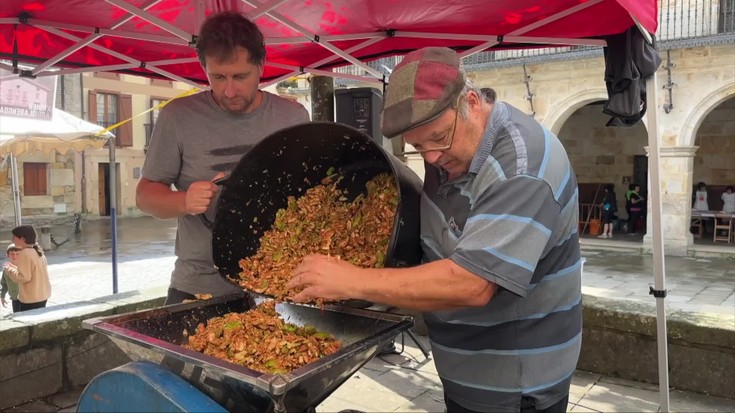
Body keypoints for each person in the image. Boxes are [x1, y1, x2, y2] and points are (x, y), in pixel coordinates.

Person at [289, 47, 582, 413]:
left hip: (513, 382)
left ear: (471, 102)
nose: (430, 157)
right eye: (417, 146)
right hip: (465, 369)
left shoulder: (522, 167)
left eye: (439, 138)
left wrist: (349, 280)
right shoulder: (453, 148)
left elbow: (473, 283)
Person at [136, 11, 310, 305]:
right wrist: (184, 201)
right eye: (218, 77)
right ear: (204, 68)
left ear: (261, 66)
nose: (229, 91)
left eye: (240, 77)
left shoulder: (293, 116)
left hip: (279, 284)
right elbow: (144, 196)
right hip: (199, 286)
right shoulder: (178, 117)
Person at [3, 226, 52, 312]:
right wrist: (14, 267)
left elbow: (24, 277)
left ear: (22, 239)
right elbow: (31, 271)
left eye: (14, 237)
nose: (12, 240)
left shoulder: (25, 253)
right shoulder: (36, 250)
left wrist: (9, 270)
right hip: (42, 295)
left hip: (31, 298)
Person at [1, 243, 21, 313]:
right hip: (14, 298)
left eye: (17, 254)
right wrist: (2, 296)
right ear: (7, 255)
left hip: (26, 298)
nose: (14, 256)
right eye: (12, 254)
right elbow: (4, 284)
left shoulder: (23, 266)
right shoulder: (6, 269)